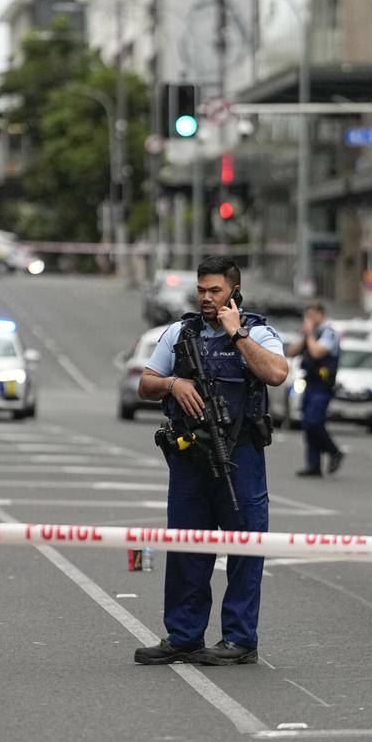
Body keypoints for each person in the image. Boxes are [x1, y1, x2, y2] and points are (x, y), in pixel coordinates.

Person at [135, 256, 288, 666]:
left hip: (240, 455)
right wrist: (173, 383)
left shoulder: (258, 332)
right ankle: (183, 636)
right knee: (185, 547)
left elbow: (276, 374)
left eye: (215, 290)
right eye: (202, 289)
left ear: (234, 292)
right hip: (189, 456)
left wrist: (236, 335)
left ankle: (239, 640)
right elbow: (145, 383)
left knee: (245, 548)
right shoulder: (179, 332)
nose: (205, 297)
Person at [286, 303, 345, 477]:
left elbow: (318, 352)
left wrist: (309, 335)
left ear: (321, 314)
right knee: (307, 424)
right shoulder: (310, 334)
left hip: (323, 385)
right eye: (307, 316)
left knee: (314, 421)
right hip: (310, 383)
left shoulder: (328, 333)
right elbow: (291, 351)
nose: (308, 320)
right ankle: (314, 465)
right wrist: (305, 335)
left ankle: (334, 451)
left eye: (311, 316)